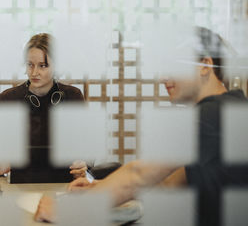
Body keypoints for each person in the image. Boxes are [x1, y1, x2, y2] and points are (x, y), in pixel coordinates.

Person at [34, 27, 248, 225]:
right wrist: (98, 188)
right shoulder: (229, 108)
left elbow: (138, 175)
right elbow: (168, 184)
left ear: (205, 66)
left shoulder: (214, 114)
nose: (164, 77)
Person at [0, 33, 86, 182]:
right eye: (30, 64)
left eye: (42, 66)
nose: (34, 72)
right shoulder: (9, 99)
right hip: (21, 186)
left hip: (64, 185)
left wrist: (83, 164)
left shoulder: (72, 96)